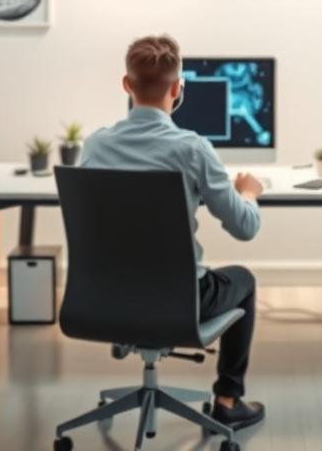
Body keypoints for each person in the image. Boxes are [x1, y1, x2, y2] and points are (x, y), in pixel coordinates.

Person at [80, 34, 266, 431]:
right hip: (180, 303)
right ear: (178, 88)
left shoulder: (94, 147)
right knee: (244, 280)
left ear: (126, 85)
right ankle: (228, 401)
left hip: (105, 299)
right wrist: (247, 193)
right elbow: (245, 227)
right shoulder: (193, 149)